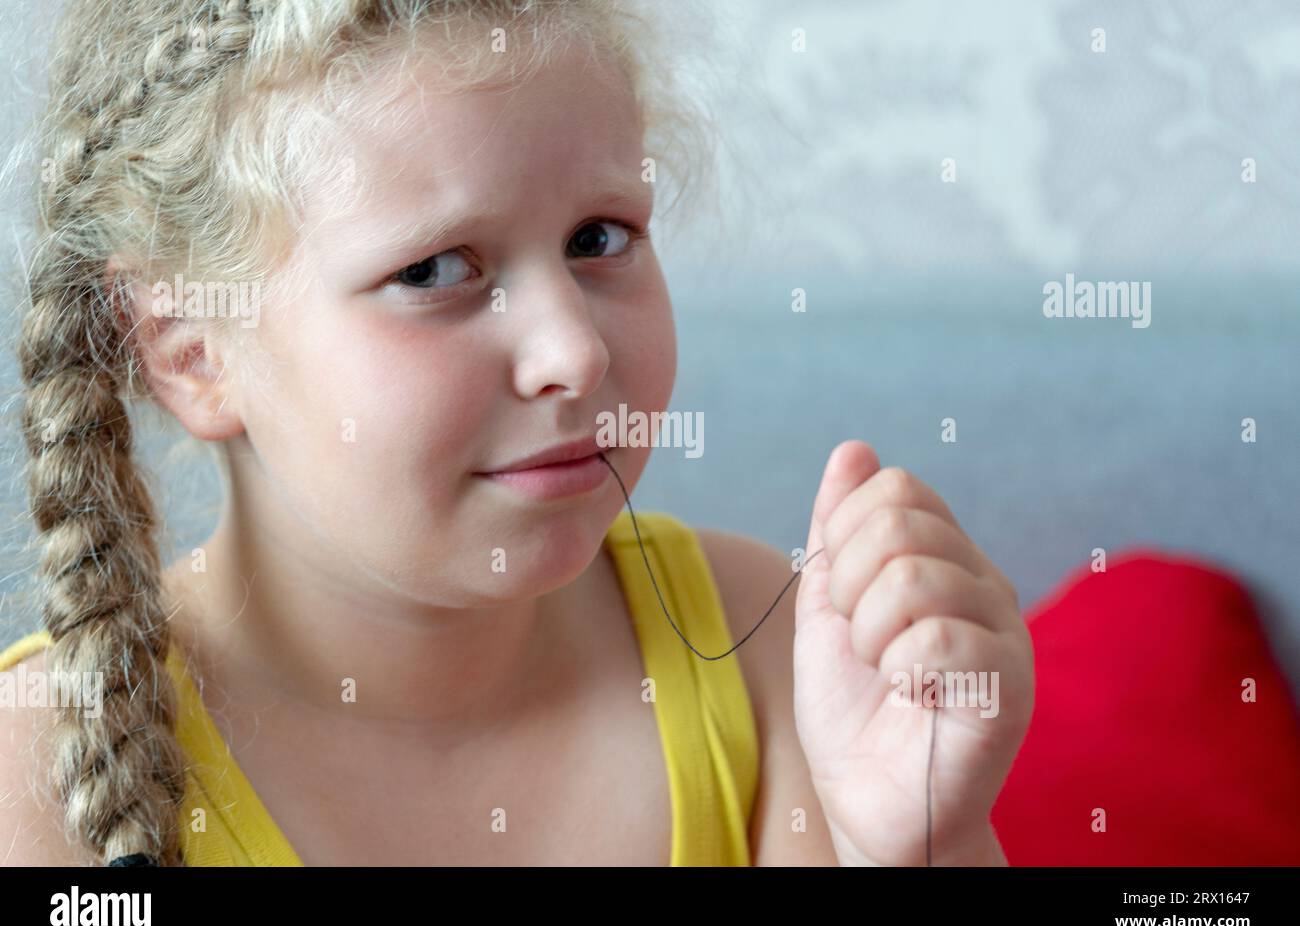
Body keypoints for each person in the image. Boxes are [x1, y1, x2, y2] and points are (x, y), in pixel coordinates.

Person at [0, 0, 1033, 867]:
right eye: (438, 270)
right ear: (189, 351)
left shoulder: (765, 645)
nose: (573, 352)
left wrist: (918, 842)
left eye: (599, 238)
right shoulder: (33, 773)